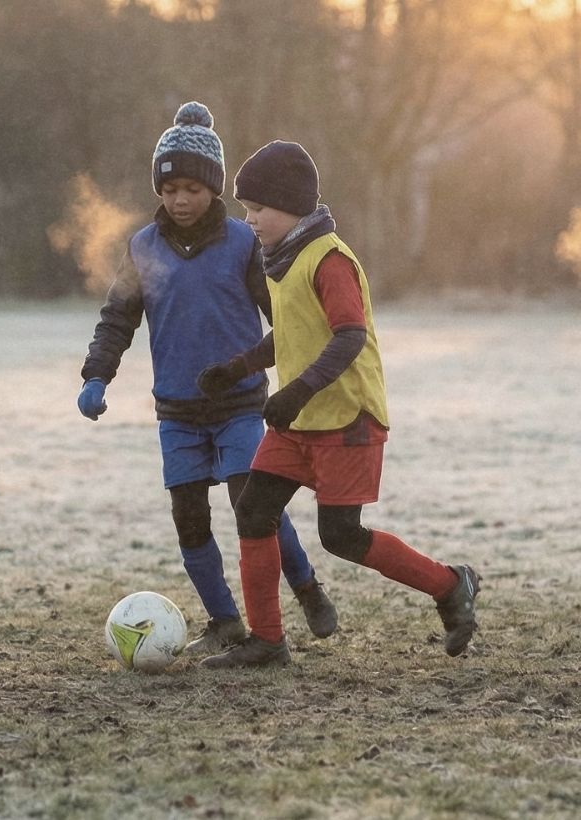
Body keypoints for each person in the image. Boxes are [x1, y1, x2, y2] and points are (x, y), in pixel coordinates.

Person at [197, 140, 480, 668]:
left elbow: (348, 337)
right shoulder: (281, 258)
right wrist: (237, 368)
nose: (250, 219)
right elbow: (293, 333)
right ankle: (267, 642)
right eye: (246, 209)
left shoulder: (328, 258)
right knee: (254, 511)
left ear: (292, 206)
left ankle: (450, 584)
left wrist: (296, 390)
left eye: (259, 208)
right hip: (300, 420)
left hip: (347, 419)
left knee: (341, 536)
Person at [78, 102, 337, 656]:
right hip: (177, 414)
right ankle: (225, 623)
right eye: (170, 189)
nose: (180, 199)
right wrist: (97, 375)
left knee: (255, 509)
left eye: (193, 188)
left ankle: (307, 587)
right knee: (189, 522)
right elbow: (118, 318)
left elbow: (284, 318)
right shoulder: (142, 248)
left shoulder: (246, 244)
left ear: (214, 190)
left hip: (241, 405)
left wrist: (299, 376)